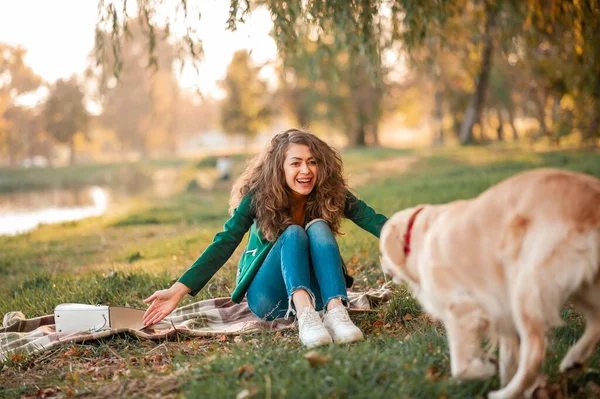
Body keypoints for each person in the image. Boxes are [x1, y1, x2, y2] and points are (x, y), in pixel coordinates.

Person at [142, 128, 388, 348]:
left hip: (320, 295)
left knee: (319, 226)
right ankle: (305, 317)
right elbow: (225, 240)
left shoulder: (330, 193)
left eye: (312, 162)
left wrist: (413, 237)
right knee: (293, 232)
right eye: (296, 163)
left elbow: (372, 219)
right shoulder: (259, 197)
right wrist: (178, 289)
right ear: (279, 167)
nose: (306, 170)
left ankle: (336, 312)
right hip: (269, 297)